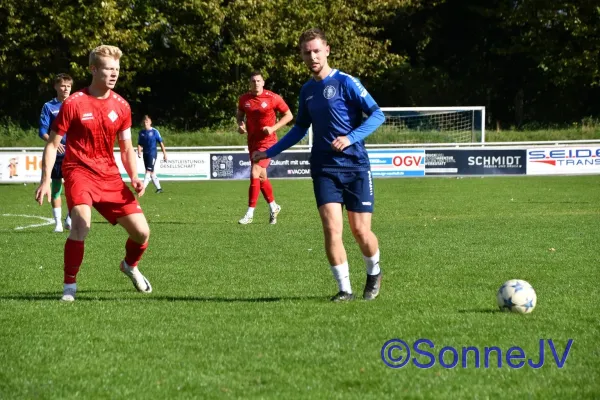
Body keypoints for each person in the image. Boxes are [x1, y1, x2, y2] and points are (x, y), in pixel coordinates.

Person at [253, 28, 385, 302]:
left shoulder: (347, 82)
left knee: (360, 231)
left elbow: (377, 115)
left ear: (327, 50)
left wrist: (350, 138)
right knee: (331, 229)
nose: (312, 56)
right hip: (324, 169)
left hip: (356, 166)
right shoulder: (307, 91)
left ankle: (374, 272)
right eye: (306, 52)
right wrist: (269, 152)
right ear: (302, 56)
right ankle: (345, 290)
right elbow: (299, 128)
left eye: (316, 51)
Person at [35, 45, 153, 302]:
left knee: (142, 233)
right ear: (93, 69)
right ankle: (69, 287)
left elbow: (126, 147)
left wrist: (134, 176)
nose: (114, 73)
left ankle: (129, 266)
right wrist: (45, 180)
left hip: (109, 176)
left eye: (117, 69)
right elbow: (52, 144)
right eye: (108, 69)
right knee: (81, 224)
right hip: (78, 172)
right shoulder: (73, 103)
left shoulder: (122, 106)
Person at [236, 71, 293, 224]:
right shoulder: (244, 99)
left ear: (263, 82)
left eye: (258, 81)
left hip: (268, 142)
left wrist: (273, 128)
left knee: (255, 171)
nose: (256, 83)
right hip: (252, 142)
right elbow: (240, 116)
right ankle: (274, 206)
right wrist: (240, 125)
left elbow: (289, 115)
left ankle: (249, 214)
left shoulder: (273, 97)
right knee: (261, 177)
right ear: (250, 83)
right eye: (253, 81)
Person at [39, 73, 73, 232]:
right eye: (63, 85)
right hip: (57, 156)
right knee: (56, 188)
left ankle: (70, 218)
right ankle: (58, 224)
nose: (66, 89)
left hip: (75, 155)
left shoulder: (76, 104)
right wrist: (54, 142)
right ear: (56, 87)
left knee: (75, 190)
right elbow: (42, 131)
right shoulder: (49, 106)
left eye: (68, 86)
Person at [137, 115, 167, 193]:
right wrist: (139, 151)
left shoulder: (154, 131)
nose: (145, 123)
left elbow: (161, 143)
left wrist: (164, 154)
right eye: (144, 122)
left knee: (148, 171)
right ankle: (159, 188)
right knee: (151, 172)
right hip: (145, 154)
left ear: (150, 122)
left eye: (147, 122)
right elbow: (140, 143)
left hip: (152, 153)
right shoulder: (141, 132)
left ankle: (142, 188)